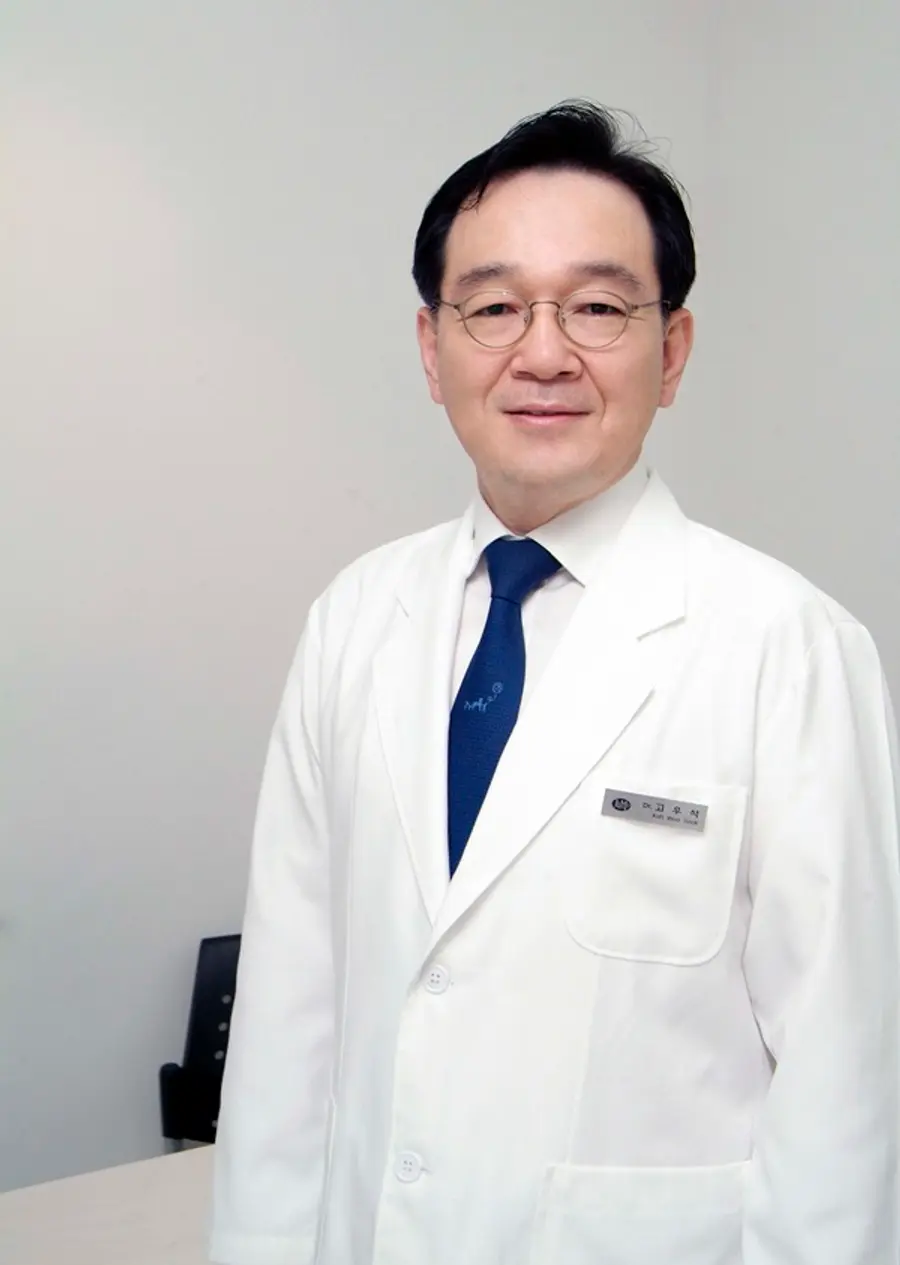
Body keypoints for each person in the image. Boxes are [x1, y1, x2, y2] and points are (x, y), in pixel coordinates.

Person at [210, 101, 900, 1265]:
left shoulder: (787, 645)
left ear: (671, 351)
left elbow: (845, 1091)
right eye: (493, 307)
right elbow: (287, 1027)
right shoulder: (353, 621)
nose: (542, 354)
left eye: (597, 307)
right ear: (431, 348)